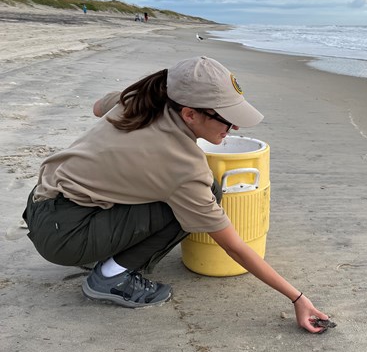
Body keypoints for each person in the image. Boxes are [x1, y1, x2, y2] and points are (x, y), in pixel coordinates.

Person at [22, 56, 329, 333]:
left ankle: (103, 253)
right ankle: (110, 277)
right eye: (225, 117)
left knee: (177, 193)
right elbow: (234, 247)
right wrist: (298, 298)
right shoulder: (183, 167)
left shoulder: (143, 98)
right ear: (189, 114)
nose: (234, 125)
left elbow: (97, 108)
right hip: (66, 235)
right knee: (204, 194)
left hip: (43, 200)